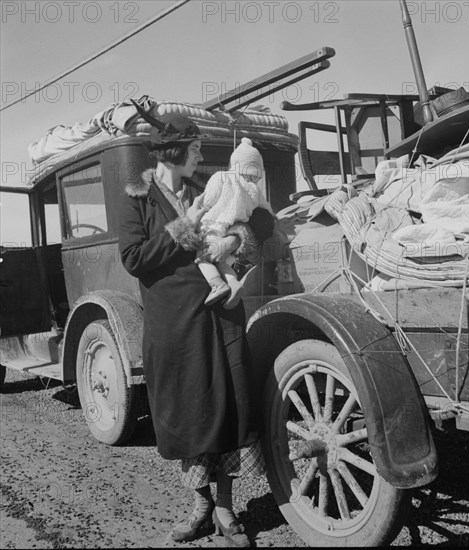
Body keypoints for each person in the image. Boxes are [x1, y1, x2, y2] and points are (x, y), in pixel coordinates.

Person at [118, 109, 274, 547]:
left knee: (228, 404)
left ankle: (225, 506)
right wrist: (187, 224)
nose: (201, 154)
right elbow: (134, 259)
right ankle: (201, 505)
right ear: (175, 151)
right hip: (174, 323)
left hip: (220, 311)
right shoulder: (138, 197)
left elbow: (259, 218)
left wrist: (235, 245)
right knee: (190, 411)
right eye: (195, 148)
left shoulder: (207, 187)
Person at [195, 137, 274, 309]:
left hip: (214, 227)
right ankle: (234, 284)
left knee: (202, 257)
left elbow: (209, 199)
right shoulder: (255, 189)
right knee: (222, 261)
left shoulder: (221, 177)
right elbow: (267, 209)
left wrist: (199, 208)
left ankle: (217, 284)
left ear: (234, 163)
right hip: (234, 231)